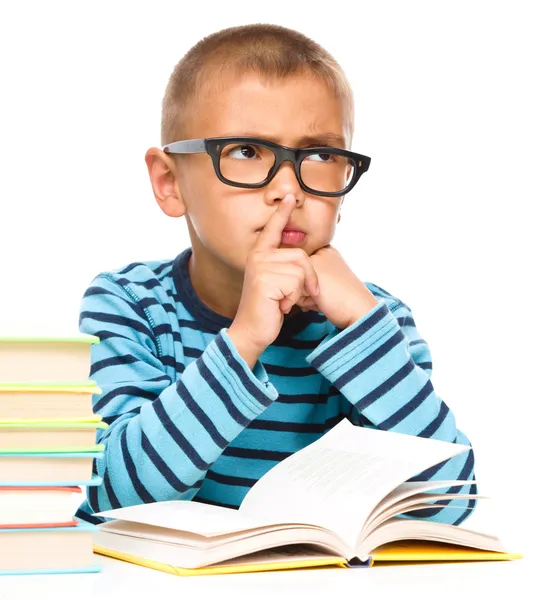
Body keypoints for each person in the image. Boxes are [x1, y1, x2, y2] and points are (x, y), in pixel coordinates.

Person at [76, 23, 477, 526]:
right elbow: (115, 496)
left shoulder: (373, 322)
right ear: (170, 182)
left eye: (321, 156)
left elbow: (451, 500)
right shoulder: (128, 305)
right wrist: (245, 339)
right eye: (245, 151)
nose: (289, 191)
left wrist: (361, 330)